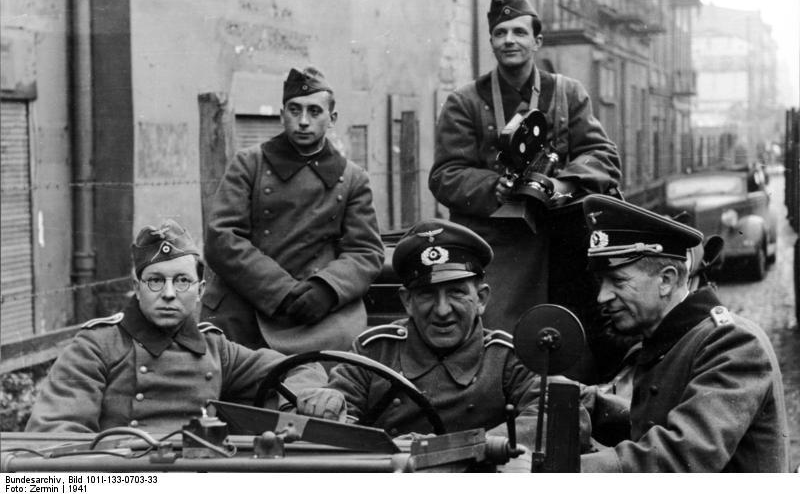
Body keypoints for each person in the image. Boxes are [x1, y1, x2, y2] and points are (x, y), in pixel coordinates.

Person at [296, 219, 591, 456]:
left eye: (457, 293)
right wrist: (327, 405)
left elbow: (562, 419)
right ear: (407, 301)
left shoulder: (507, 356)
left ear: (482, 299)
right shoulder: (373, 350)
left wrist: (464, 449)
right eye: (426, 295)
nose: (442, 310)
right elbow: (336, 421)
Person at [428, 0, 622, 334]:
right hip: (498, 246)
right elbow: (445, 175)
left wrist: (559, 184)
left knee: (580, 334)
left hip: (561, 240)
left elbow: (602, 156)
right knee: (500, 337)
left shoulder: (567, 93)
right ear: (491, 42)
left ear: (537, 41)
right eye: (500, 34)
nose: (509, 41)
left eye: (519, 32)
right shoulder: (466, 102)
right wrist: (494, 186)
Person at [26, 220, 335, 434]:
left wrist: (309, 395)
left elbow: (298, 368)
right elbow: (58, 432)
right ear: (136, 286)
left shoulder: (216, 350)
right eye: (156, 280)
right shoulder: (97, 346)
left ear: (200, 289)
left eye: (183, 281)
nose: (169, 293)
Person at [578, 195, 789, 472]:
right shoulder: (673, 340)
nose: (602, 296)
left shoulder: (732, 344)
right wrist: (587, 402)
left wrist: (562, 473)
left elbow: (679, 456)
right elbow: (656, 421)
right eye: (601, 282)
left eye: (618, 281)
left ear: (666, 280)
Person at [201, 66, 384, 353]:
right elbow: (222, 238)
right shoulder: (249, 164)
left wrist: (327, 289)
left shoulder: (352, 178)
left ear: (332, 118)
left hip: (317, 310)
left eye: (314, 112)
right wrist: (280, 291)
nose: (303, 121)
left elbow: (365, 251)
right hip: (247, 301)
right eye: (294, 110)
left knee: (327, 380)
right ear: (281, 113)